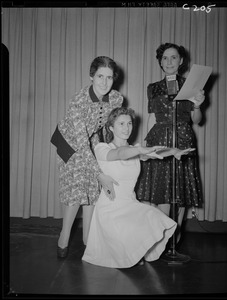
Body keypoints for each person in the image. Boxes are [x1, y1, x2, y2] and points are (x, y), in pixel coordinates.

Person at [82, 107, 193, 268]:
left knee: (155, 217)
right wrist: (140, 150)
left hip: (131, 205)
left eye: (129, 123)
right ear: (111, 127)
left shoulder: (135, 149)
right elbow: (120, 153)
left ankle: (133, 250)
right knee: (130, 248)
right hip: (110, 209)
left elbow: (154, 152)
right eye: (121, 124)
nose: (126, 128)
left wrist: (175, 151)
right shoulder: (102, 148)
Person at [52, 56, 124, 258]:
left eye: (109, 78)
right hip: (70, 142)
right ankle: (64, 236)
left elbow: (111, 128)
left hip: (91, 140)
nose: (104, 82)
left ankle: (88, 239)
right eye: (100, 76)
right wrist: (100, 173)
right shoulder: (78, 101)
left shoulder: (117, 99)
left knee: (92, 189)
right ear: (91, 76)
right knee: (76, 187)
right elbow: (80, 143)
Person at [135, 43, 205, 244]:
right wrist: (147, 146)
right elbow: (151, 118)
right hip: (159, 141)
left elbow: (197, 119)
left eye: (174, 57)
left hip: (182, 140)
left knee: (180, 192)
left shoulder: (191, 86)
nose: (169, 62)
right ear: (160, 62)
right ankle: (161, 238)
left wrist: (198, 105)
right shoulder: (153, 88)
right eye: (165, 58)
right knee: (161, 192)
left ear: (181, 61)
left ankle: (175, 237)